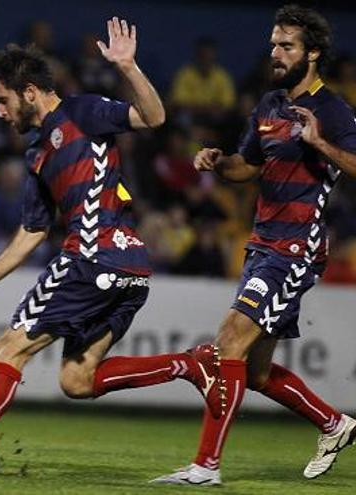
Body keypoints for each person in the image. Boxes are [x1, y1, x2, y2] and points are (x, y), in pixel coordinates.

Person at [0, 18, 225, 478]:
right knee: (77, 380)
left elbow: (154, 118)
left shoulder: (80, 111)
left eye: (2, 100)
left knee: (9, 347)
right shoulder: (38, 151)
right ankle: (191, 365)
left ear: (30, 92)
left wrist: (129, 67)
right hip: (130, 267)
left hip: (93, 255)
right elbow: (34, 229)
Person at [152, 5, 356, 485]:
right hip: (262, 243)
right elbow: (248, 166)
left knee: (230, 339)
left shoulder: (333, 110)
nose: (276, 53)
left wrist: (321, 144)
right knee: (258, 371)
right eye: (273, 45)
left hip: (296, 247)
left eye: (286, 46)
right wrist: (218, 161)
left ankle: (205, 466)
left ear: (313, 53)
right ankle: (334, 423)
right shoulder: (269, 104)